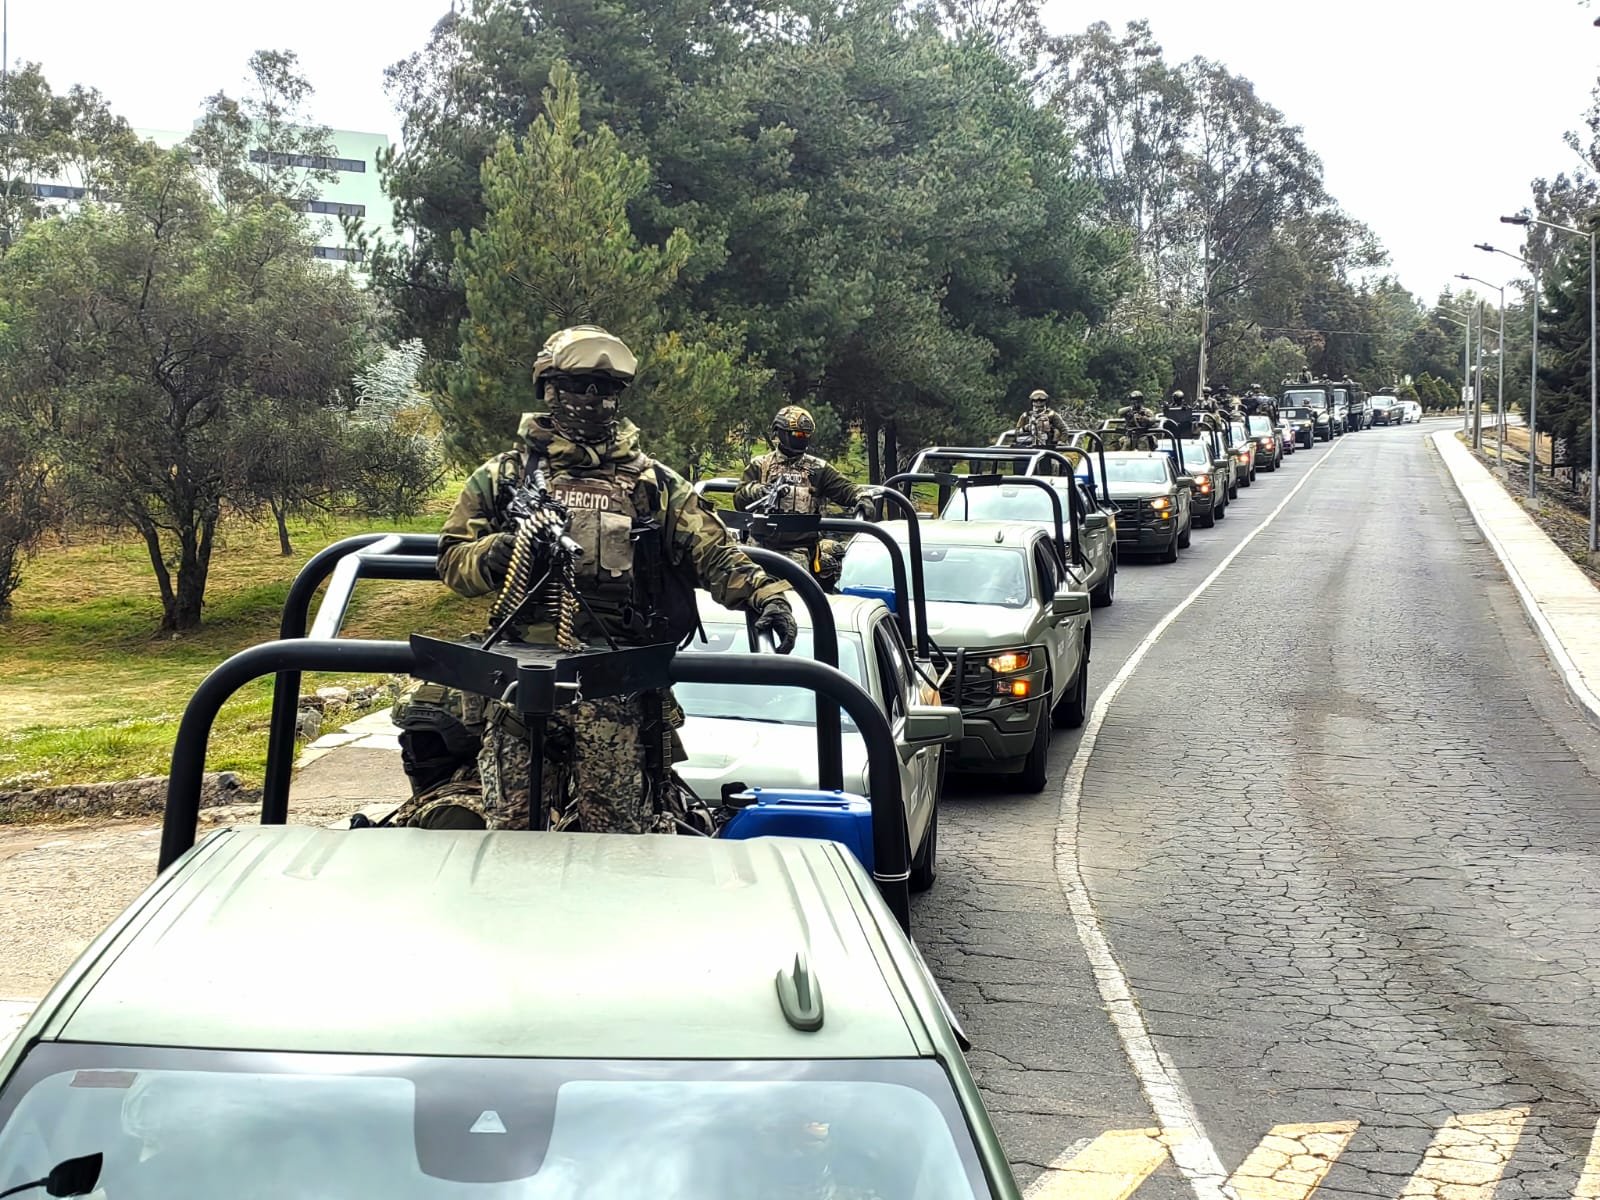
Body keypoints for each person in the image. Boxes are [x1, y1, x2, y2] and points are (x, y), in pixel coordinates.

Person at [428, 324, 797, 835]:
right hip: (519, 682)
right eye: (580, 386)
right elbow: (452, 564)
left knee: (618, 838)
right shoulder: (503, 477)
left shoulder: (653, 484)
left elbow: (712, 550)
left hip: (614, 684)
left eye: (607, 390)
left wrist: (764, 595)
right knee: (511, 836)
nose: (594, 399)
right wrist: (506, 549)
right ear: (550, 389)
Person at [734, 405, 876, 578]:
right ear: (780, 432)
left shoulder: (818, 468)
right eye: (798, 434)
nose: (802, 438)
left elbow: (845, 488)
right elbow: (738, 499)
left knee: (794, 594)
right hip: (757, 546)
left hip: (798, 551)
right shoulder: (760, 465)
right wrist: (757, 491)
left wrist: (863, 498)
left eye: (806, 435)